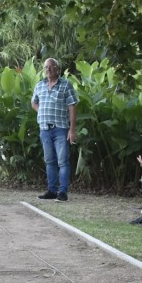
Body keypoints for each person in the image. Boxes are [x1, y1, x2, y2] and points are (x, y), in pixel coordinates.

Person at [31, 58, 79, 202]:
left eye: (51, 67)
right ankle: (52, 191)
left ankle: (62, 192)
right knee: (49, 161)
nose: (48, 69)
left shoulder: (66, 85)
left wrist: (72, 130)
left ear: (58, 69)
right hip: (44, 129)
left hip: (60, 129)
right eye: (46, 67)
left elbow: (72, 106)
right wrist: (41, 111)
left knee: (63, 161)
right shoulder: (40, 85)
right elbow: (34, 102)